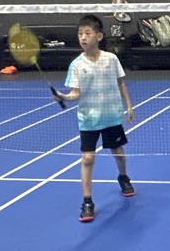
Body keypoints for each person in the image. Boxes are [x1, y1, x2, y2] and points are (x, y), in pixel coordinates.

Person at [53, 14, 135, 223]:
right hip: (89, 119)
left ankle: (123, 177)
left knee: (118, 152)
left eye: (87, 33)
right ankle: (87, 201)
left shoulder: (111, 59)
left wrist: (128, 105)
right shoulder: (76, 65)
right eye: (80, 33)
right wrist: (63, 97)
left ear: (99, 36)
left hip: (111, 115)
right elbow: (75, 93)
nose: (83, 37)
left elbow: (120, 83)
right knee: (87, 159)